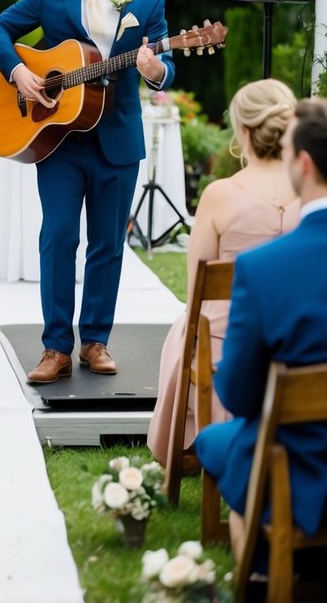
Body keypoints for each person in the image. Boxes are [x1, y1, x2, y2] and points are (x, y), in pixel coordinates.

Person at [0, 0, 175, 382]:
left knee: (108, 245)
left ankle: (95, 342)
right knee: (58, 237)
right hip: (58, 139)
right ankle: (54, 348)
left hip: (116, 140)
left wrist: (156, 71)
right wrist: (19, 71)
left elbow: (168, 64)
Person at [196, 97, 327, 562]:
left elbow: (238, 395)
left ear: (305, 163)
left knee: (218, 441)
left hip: (298, 466)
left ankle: (259, 575)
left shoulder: (263, 269)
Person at [147, 78, 300, 465]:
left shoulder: (219, 195)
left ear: (243, 132)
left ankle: (196, 438)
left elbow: (197, 283)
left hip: (227, 345)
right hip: (296, 337)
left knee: (185, 324)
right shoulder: (314, 193)